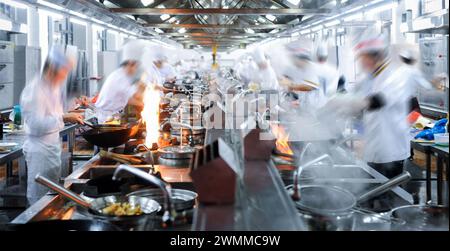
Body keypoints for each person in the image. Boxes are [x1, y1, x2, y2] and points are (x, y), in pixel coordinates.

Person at [20, 47, 84, 204]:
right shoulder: (35, 89)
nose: (65, 76)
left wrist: (71, 106)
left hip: (52, 148)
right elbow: (35, 124)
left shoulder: (52, 86)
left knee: (50, 196)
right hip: (40, 152)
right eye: (64, 72)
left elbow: (53, 112)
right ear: (52, 70)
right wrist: (64, 117)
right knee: (39, 197)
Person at [352, 35, 412, 178]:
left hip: (390, 149)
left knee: (389, 194)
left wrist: (343, 103)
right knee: (375, 193)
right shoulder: (372, 77)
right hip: (374, 148)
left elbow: (377, 101)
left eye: (361, 57)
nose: (359, 62)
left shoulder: (395, 76)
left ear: (373, 57)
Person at [95, 40, 147, 123]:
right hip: (107, 118)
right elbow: (133, 98)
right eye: (136, 66)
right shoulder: (120, 78)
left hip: (113, 115)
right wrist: (146, 104)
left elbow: (131, 96)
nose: (136, 69)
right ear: (130, 64)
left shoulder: (123, 75)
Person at [280, 39, 326, 111]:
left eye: (292, 59)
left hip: (317, 111)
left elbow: (309, 87)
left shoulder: (311, 68)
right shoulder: (301, 70)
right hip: (307, 108)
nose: (292, 62)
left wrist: (291, 86)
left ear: (298, 58)